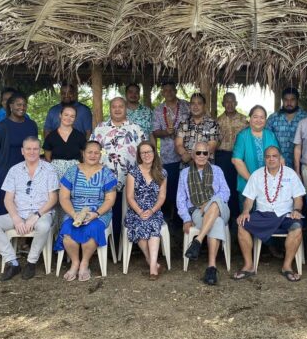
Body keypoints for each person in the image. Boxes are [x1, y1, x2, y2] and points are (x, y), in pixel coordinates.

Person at [0, 136, 59, 281]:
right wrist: (16, 218)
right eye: (28, 149)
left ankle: (31, 262)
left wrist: (36, 215)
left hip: (41, 213)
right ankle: (12, 263)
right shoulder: (14, 170)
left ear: (40, 150)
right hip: (19, 213)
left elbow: (53, 199)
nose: (32, 152)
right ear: (22, 151)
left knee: (43, 226)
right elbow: (8, 199)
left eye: (35, 149)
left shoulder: (49, 169)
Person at [234, 146, 306, 282]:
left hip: (286, 214)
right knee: (241, 224)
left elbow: (298, 198)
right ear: (264, 159)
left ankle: (287, 266)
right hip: (263, 214)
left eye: (274, 156)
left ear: (280, 158)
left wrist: (296, 210)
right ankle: (248, 266)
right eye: (268, 156)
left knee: (296, 227)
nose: (271, 159)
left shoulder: (290, 174)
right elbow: (249, 199)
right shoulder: (257, 175)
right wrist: (245, 211)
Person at [55, 141, 117, 281]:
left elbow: (110, 200)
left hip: (99, 212)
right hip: (74, 211)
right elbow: (64, 198)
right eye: (90, 152)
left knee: (92, 229)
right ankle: (75, 262)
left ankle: (85, 263)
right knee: (68, 231)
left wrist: (96, 214)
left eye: (97, 153)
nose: (93, 155)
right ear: (83, 153)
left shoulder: (107, 173)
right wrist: (74, 214)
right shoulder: (72, 171)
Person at [90, 97, 147, 245]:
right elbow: (92, 152)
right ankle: (111, 244)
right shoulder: (100, 128)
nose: (117, 109)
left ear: (125, 108)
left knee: (128, 212)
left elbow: (144, 153)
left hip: (130, 179)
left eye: (120, 106)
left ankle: (129, 244)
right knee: (110, 211)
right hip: (106, 180)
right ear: (110, 109)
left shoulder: (136, 128)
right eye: (114, 106)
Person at [177, 141, 231, 285]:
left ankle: (198, 240)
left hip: (221, 209)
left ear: (209, 155)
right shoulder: (184, 173)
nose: (201, 156)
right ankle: (211, 268)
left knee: (215, 203)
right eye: (198, 153)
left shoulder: (217, 170)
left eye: (205, 153)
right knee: (217, 222)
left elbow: (225, 192)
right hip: (197, 211)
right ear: (193, 155)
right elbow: (180, 199)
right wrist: (186, 219)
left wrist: (209, 202)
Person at [0, 93, 39, 218]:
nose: (22, 107)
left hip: (27, 169)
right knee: (4, 201)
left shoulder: (31, 125)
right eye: (18, 104)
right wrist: (0, 163)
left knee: (26, 199)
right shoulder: (3, 126)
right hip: (6, 169)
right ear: (11, 106)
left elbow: (34, 145)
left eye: (24, 105)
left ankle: (25, 231)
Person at [125, 141, 167, 280]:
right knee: (141, 224)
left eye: (149, 151)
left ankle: (152, 267)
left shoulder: (162, 172)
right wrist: (139, 211)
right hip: (136, 210)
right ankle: (152, 264)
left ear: (154, 153)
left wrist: (152, 210)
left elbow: (162, 196)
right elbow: (130, 197)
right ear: (139, 155)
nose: (146, 155)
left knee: (153, 224)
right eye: (143, 152)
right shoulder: (133, 173)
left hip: (154, 210)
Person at [152, 82, 190, 222]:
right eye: (165, 90)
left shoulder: (187, 105)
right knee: (170, 187)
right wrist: (165, 132)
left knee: (186, 187)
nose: (168, 92)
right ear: (162, 92)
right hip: (168, 156)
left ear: (175, 90)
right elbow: (155, 132)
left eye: (170, 89)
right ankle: (168, 218)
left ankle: (183, 219)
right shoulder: (158, 110)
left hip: (188, 153)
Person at [231, 105, 280, 197]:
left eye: (262, 117)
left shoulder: (270, 135)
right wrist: (252, 181)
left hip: (270, 184)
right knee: (248, 210)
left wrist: (276, 180)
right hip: (248, 183)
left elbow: (278, 157)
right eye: (255, 117)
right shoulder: (242, 136)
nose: (258, 120)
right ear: (250, 118)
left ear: (265, 120)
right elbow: (236, 160)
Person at [215, 92, 248, 220]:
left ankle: (239, 216)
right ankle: (225, 217)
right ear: (223, 103)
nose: (229, 104)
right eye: (226, 101)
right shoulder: (217, 121)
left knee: (238, 185)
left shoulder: (244, 120)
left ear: (236, 103)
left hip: (239, 158)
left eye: (232, 101)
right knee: (224, 186)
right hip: (222, 157)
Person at [267, 87, 307, 167]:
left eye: (292, 99)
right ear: (282, 100)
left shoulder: (306, 118)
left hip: (301, 165)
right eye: (286, 100)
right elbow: (266, 140)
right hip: (277, 164)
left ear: (297, 100)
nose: (289, 102)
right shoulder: (273, 118)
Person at [175, 92, 220, 167]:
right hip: (186, 167)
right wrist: (184, 154)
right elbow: (178, 144)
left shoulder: (212, 124)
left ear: (204, 106)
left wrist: (190, 156)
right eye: (193, 103)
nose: (195, 106)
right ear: (190, 106)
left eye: (199, 103)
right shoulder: (183, 124)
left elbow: (211, 147)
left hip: (206, 167)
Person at [43, 104, 87, 180]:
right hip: (55, 173)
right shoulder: (51, 137)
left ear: (75, 118)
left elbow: (84, 157)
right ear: (60, 115)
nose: (68, 118)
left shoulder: (80, 136)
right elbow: (48, 159)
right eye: (66, 115)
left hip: (76, 172)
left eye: (72, 116)